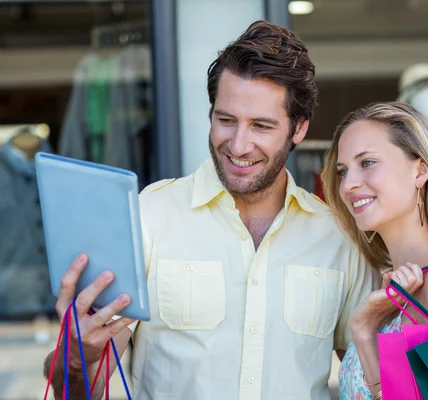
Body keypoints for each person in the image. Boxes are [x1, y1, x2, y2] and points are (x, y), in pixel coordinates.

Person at [43, 21, 379, 400]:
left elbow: (367, 382)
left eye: (261, 126)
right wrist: (76, 357)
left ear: (298, 129)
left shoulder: (338, 237)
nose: (238, 145)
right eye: (226, 120)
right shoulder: (148, 218)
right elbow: (82, 388)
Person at [321, 102, 428, 399]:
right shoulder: (391, 282)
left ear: (419, 171)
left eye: (367, 163)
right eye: (343, 171)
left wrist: (366, 332)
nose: (349, 184)